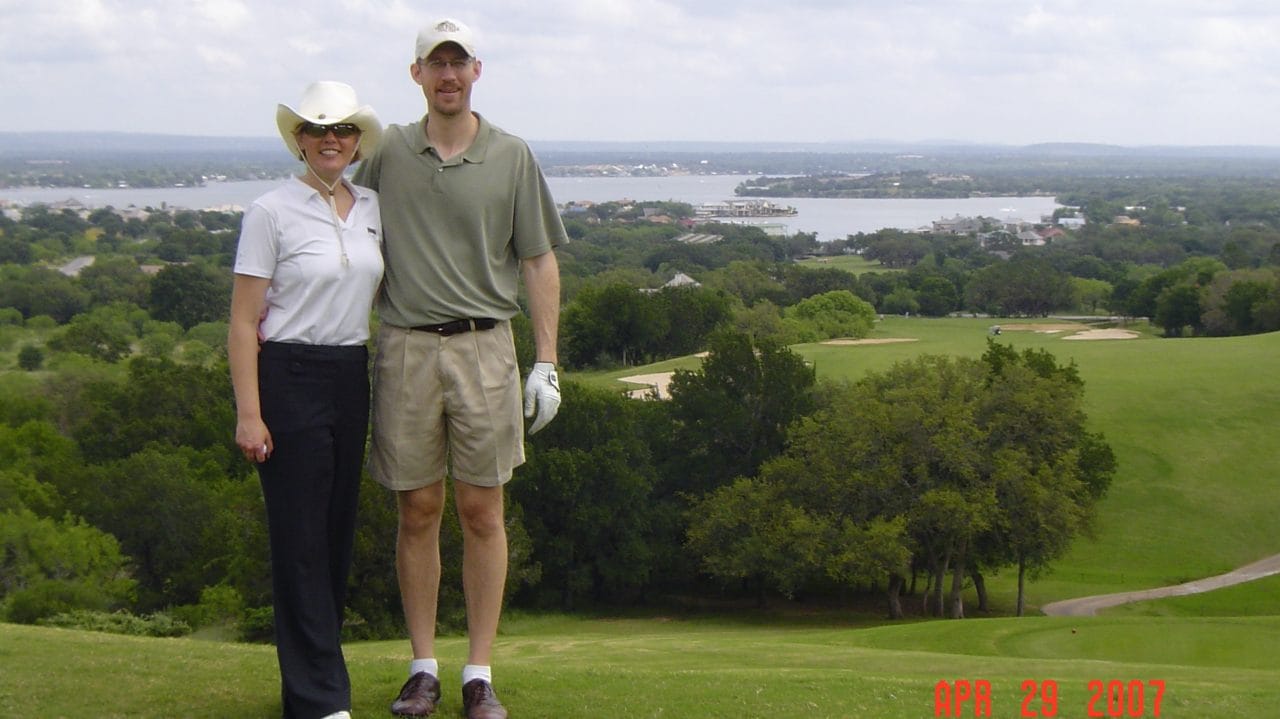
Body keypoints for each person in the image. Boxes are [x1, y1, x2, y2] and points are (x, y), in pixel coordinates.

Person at [353, 17, 566, 719]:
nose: (447, 75)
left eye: (458, 63)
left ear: (478, 70)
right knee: (417, 509)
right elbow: (343, 224)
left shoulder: (511, 154)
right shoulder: (386, 153)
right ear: (416, 74)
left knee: (482, 509)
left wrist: (548, 362)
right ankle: (423, 668)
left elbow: (537, 258)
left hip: (485, 346)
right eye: (434, 64)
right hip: (406, 344)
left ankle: (479, 672)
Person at [229, 81, 384, 719]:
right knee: (299, 539)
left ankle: (315, 687)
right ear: (299, 140)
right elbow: (243, 322)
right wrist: (249, 412)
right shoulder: (271, 211)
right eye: (319, 129)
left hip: (351, 372)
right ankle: (320, 700)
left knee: (335, 535)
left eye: (343, 129)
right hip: (288, 374)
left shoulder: (372, 203)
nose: (331, 139)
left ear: (355, 141)